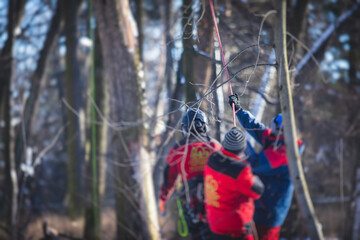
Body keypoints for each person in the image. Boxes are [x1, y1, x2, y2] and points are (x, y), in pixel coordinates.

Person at [228, 94, 305, 240]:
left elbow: (255, 163)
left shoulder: (285, 154)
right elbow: (257, 128)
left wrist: (240, 143)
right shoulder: (278, 140)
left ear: (280, 130)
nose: (269, 129)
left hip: (269, 213)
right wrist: (238, 110)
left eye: (272, 127)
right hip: (261, 205)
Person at [159, 108, 222, 240]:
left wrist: (164, 197)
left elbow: (168, 176)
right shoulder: (215, 146)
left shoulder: (180, 148)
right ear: (204, 125)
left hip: (191, 202)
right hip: (215, 200)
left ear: (186, 127)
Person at [204, 127, 264, 240]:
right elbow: (257, 191)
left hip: (215, 223)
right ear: (242, 149)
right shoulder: (240, 170)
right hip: (235, 228)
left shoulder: (212, 159)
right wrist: (253, 175)